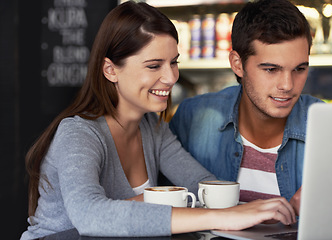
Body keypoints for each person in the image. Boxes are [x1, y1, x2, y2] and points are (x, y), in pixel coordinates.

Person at [21, 1, 297, 240]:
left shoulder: (152, 128)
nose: (171, 77)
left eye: (173, 62)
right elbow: (89, 215)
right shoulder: (78, 133)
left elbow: (200, 184)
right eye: (154, 66)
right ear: (110, 70)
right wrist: (218, 217)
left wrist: (266, 209)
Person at [169, 0, 323, 217]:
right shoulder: (192, 117)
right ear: (237, 64)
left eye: (299, 69)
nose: (288, 85)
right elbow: (162, 206)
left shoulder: (328, 127)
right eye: (271, 69)